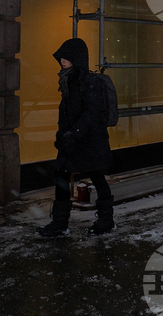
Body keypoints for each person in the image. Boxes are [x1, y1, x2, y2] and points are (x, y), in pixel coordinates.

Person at [37, 38, 115, 238]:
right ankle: (60, 223)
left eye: (67, 56)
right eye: (61, 56)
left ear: (77, 58)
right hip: (72, 141)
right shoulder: (67, 80)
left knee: (97, 177)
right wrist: (63, 136)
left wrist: (75, 134)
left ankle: (106, 221)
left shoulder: (90, 82)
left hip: (90, 140)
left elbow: (92, 112)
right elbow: (67, 113)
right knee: (62, 177)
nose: (62, 60)